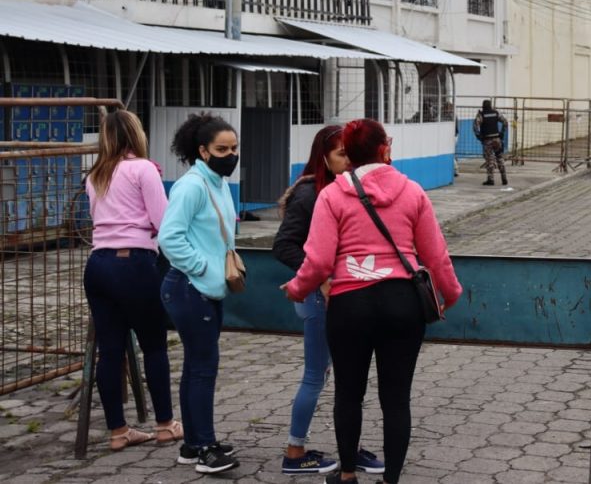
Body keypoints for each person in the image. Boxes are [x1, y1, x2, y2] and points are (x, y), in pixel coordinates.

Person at [284, 119, 462, 484]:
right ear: (385, 149)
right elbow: (436, 255)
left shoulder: (333, 195)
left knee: (349, 393)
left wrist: (298, 288)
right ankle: (391, 479)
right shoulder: (413, 192)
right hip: (402, 304)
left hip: (350, 306)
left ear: (348, 155)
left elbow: (317, 260)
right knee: (396, 399)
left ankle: (347, 475)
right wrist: (451, 293)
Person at [273, 125, 385, 477]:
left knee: (351, 379)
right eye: (340, 154)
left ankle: (349, 449)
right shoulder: (310, 193)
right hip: (319, 300)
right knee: (315, 376)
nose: (348, 160)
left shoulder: (354, 189)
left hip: (349, 298)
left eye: (351, 153)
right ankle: (295, 451)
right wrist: (321, 276)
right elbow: (284, 245)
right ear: (324, 157)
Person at [83, 110, 181, 451]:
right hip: (134, 263)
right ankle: (166, 424)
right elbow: (164, 221)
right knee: (153, 345)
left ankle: (118, 431)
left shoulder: (95, 175)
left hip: (97, 264)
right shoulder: (142, 169)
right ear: (135, 134)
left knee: (109, 351)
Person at [157, 113, 241, 474]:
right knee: (203, 368)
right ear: (202, 150)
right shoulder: (192, 186)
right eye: (222, 149)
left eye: (235, 147)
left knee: (196, 366)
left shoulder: (217, 182)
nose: (231, 154)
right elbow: (168, 237)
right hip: (190, 287)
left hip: (205, 289)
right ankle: (205, 448)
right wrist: (202, 268)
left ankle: (193, 444)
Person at [473, 99, 508, 186]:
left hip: (487, 141)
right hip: (497, 140)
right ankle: (504, 178)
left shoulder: (481, 115)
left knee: (490, 160)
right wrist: (502, 133)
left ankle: (491, 179)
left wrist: (479, 136)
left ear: (483, 106)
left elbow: (475, 126)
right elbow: (505, 122)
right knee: (500, 158)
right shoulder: (496, 113)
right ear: (491, 105)